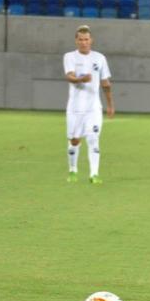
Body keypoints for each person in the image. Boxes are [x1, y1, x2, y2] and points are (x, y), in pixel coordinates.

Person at [64, 24, 115, 184]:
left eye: (86, 39)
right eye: (80, 39)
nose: (84, 42)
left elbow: (105, 83)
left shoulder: (99, 58)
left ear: (91, 40)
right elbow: (70, 77)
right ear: (76, 41)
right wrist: (81, 79)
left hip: (93, 108)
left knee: (93, 139)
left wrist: (110, 104)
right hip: (75, 108)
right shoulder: (70, 57)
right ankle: (73, 170)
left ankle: (94, 174)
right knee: (74, 140)